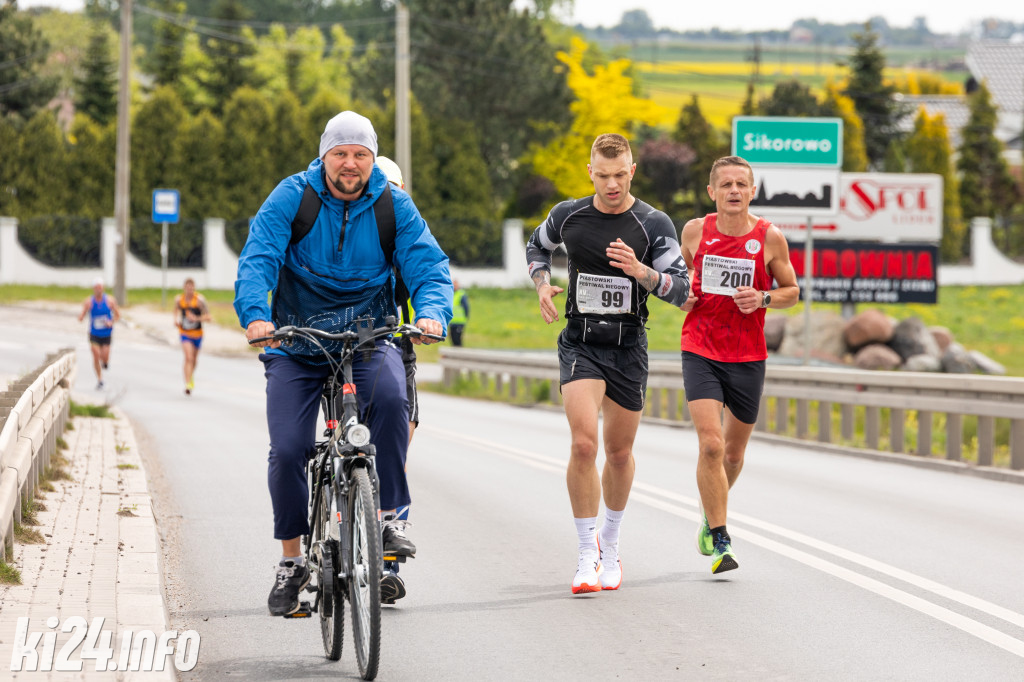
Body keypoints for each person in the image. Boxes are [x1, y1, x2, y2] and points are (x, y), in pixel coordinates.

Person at [234, 112, 453, 615]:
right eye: (341, 153)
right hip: (297, 340)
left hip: (367, 337)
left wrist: (433, 313)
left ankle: (388, 516)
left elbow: (428, 265)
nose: (350, 163)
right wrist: (255, 316)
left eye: (360, 154)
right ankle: (292, 561)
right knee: (288, 449)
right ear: (324, 155)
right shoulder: (294, 196)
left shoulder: (393, 205)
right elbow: (259, 257)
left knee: (395, 400)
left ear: (372, 158)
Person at [526, 133, 690, 594]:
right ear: (590, 172)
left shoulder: (653, 223)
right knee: (583, 444)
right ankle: (584, 554)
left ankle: (610, 542)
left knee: (618, 454)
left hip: (629, 347)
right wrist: (542, 283)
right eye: (603, 176)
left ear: (632, 171)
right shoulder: (569, 214)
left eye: (620, 175)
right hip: (580, 342)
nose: (612, 184)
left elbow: (683, 291)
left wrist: (642, 272)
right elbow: (536, 247)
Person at [679, 155, 799, 574]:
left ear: (752, 191)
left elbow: (792, 291)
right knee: (710, 443)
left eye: (741, 184)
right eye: (725, 184)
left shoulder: (770, 238)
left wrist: (763, 298)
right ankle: (721, 538)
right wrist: (684, 297)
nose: (733, 191)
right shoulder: (695, 231)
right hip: (700, 347)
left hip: (748, 354)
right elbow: (680, 281)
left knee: (732, 454)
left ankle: (709, 514)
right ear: (712, 193)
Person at [78, 277, 120, 389]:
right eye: (96, 288)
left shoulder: (110, 301)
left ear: (103, 288)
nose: (98, 290)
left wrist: (111, 322)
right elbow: (82, 315)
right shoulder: (89, 302)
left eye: (100, 288)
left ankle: (105, 363)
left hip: (106, 333)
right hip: (94, 333)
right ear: (93, 289)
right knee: (96, 355)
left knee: (104, 357)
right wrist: (81, 317)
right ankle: (100, 379)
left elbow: (117, 315)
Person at [174, 278, 212, 396]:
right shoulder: (179, 300)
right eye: (188, 288)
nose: (190, 291)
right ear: (184, 288)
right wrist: (175, 320)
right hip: (185, 333)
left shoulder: (199, 300)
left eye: (192, 288)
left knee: (194, 359)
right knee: (188, 357)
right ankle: (187, 383)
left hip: (197, 333)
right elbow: (175, 311)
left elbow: (209, 317)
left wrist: (196, 319)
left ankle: (190, 376)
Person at [448, 279, 469, 346]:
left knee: (457, 340)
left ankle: (459, 354)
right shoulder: (451, 294)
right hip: (452, 321)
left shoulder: (461, 294)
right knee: (452, 339)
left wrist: (466, 317)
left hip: (459, 321)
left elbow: (466, 307)